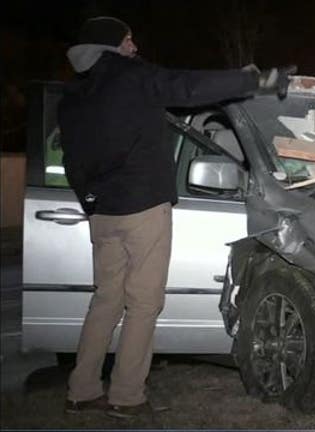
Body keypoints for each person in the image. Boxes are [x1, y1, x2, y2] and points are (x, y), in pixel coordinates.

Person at [59, 16, 294, 418]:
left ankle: (82, 389)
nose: (134, 45)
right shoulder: (132, 76)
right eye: (128, 39)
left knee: (105, 300)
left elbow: (71, 159)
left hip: (102, 213)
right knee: (144, 303)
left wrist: (90, 199)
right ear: (113, 43)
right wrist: (255, 80)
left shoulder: (75, 93)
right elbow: (189, 86)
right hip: (142, 209)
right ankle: (127, 396)